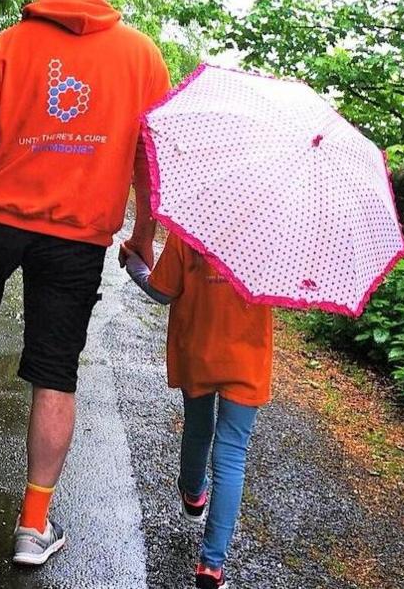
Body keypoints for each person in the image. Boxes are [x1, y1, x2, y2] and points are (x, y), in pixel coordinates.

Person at [0, 0, 170, 565]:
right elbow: (150, 160)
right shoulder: (141, 58)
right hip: (79, 238)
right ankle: (33, 525)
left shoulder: (8, 46)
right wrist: (143, 234)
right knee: (56, 372)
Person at [123, 234, 273, 589]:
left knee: (197, 427)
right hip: (247, 360)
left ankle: (193, 493)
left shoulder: (192, 230)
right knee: (232, 454)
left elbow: (161, 291)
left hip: (198, 349)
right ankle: (211, 566)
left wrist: (134, 264)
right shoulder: (271, 239)